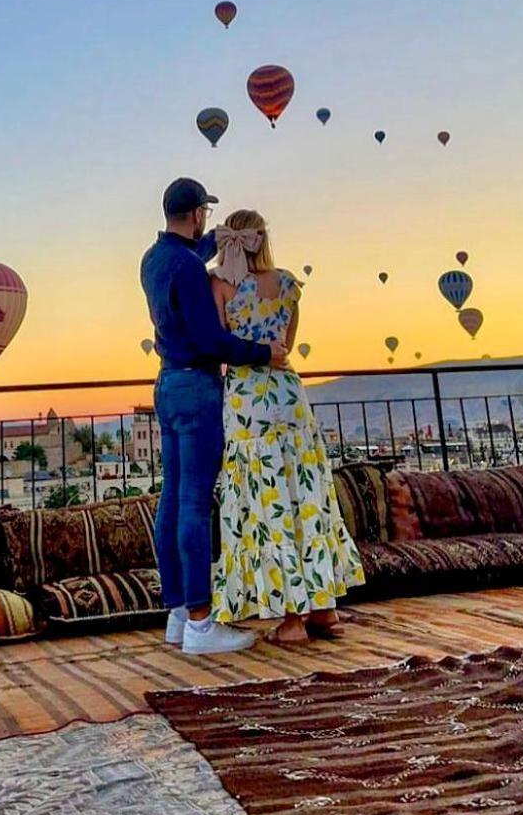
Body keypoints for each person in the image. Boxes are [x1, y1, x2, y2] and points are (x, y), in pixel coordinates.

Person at [141, 178, 289, 655]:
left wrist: (219, 240)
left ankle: (179, 612)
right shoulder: (188, 269)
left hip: (166, 383)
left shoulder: (155, 259)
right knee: (194, 504)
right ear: (198, 213)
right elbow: (212, 341)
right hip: (198, 385)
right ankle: (203, 625)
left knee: (172, 499)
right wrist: (263, 352)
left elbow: (191, 251)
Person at [208, 209, 364, 644]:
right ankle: (324, 609)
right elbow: (287, 345)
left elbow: (221, 343)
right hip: (289, 396)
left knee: (265, 499)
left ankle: (291, 619)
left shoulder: (218, 284)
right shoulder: (289, 283)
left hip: (246, 400)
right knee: (306, 495)